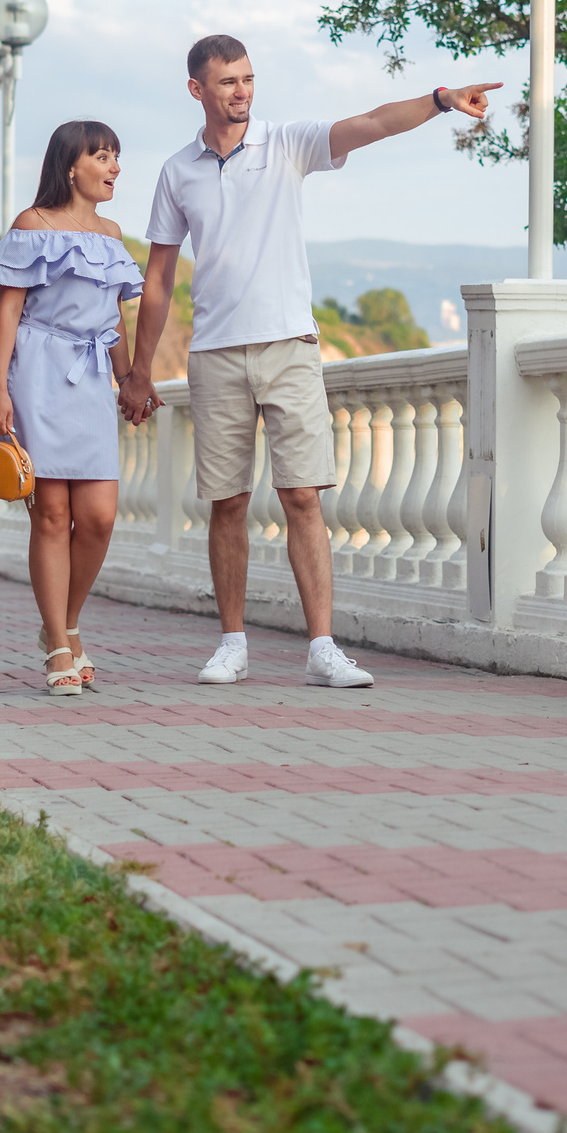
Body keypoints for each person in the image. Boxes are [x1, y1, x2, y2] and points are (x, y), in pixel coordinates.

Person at [119, 36, 498, 687]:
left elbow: (372, 122)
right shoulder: (178, 171)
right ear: (197, 90)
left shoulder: (287, 142)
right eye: (227, 81)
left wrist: (439, 101)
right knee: (227, 503)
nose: (241, 90)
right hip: (213, 351)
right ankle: (232, 643)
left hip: (289, 345)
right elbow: (158, 279)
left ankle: (322, 646)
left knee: (302, 498)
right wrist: (138, 368)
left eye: (248, 78)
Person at [0, 120, 143, 697]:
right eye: (102, 156)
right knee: (51, 515)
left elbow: (114, 320)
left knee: (98, 517)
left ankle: (67, 622)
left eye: (116, 156)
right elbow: (8, 313)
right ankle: (57, 644)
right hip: (40, 373)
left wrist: (130, 380)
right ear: (70, 166)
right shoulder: (33, 225)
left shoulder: (113, 233)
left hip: (93, 376)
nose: (113, 167)